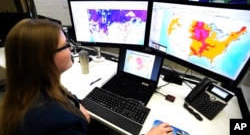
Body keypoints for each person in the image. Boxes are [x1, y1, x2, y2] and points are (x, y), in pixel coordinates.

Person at [0, 18, 173, 135]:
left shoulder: (24, 90)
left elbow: (57, 90)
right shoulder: (58, 123)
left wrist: (75, 103)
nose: (71, 48)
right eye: (66, 45)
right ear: (44, 58)